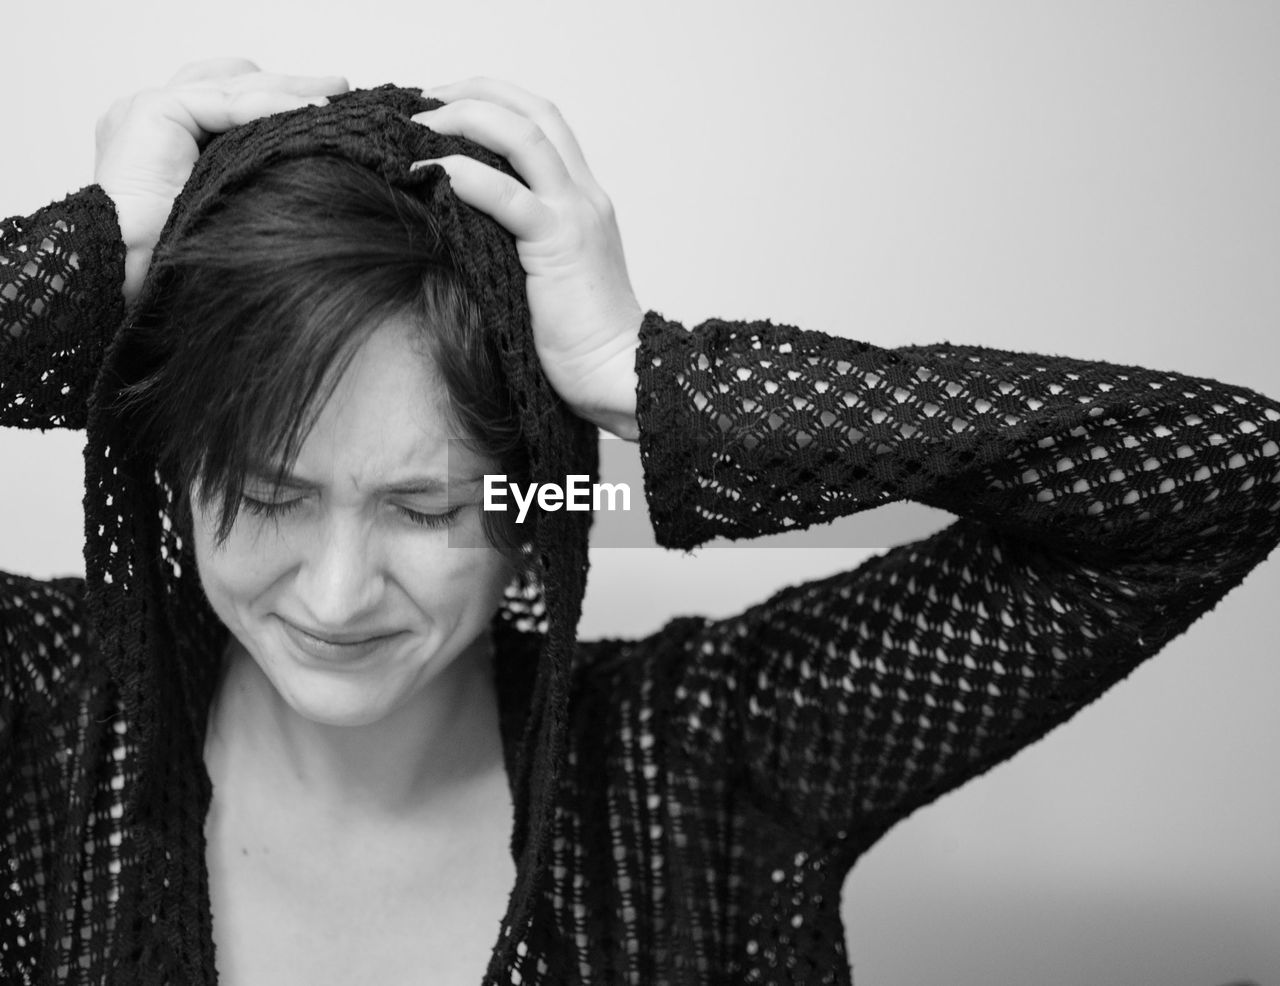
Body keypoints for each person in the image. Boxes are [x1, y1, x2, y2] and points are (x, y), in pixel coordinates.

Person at [2, 59, 1277, 986]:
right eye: (271, 495)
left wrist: (649, 376)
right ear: (170, 470)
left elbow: (1221, 472)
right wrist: (88, 259)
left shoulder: (710, 757)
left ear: (534, 502)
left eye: (429, 505)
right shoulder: (34, 708)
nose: (336, 595)